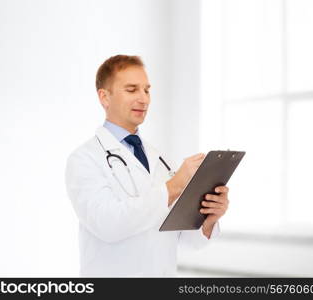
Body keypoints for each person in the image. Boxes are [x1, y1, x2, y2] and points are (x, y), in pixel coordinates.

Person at [65, 55, 229, 277]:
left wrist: (209, 219)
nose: (143, 99)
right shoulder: (84, 159)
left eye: (147, 90)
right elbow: (108, 225)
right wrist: (173, 187)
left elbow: (184, 240)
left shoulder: (159, 159)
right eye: (132, 90)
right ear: (104, 97)